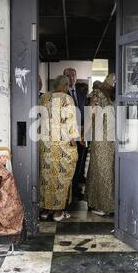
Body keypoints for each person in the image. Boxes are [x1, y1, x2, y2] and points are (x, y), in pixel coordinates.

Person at [38, 75, 80, 221]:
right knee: (61, 177)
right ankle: (57, 212)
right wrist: (74, 142)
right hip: (62, 146)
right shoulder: (67, 99)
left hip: (45, 145)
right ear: (65, 86)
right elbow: (71, 123)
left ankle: (45, 210)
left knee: (46, 177)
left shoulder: (44, 98)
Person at [85, 73, 116, 216]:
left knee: (103, 170)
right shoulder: (98, 93)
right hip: (102, 139)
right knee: (102, 171)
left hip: (109, 140)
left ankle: (101, 203)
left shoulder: (109, 96)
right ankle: (102, 205)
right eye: (113, 84)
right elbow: (92, 114)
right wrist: (84, 133)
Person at [63, 67, 88, 202]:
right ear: (64, 78)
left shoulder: (82, 92)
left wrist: (84, 128)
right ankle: (67, 190)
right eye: (68, 76)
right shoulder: (62, 94)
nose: (71, 78)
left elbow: (85, 111)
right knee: (68, 163)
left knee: (80, 163)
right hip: (68, 136)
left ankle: (76, 189)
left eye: (73, 75)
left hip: (81, 134)